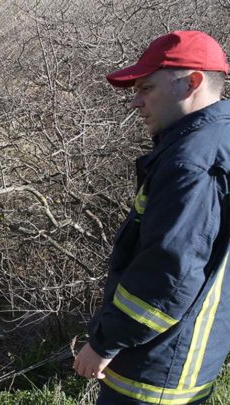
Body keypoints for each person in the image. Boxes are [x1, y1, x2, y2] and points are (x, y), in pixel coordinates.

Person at [73, 30, 230, 405]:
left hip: (157, 369)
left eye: (147, 88)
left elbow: (169, 274)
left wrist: (105, 343)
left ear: (192, 83)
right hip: (192, 355)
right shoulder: (219, 139)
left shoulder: (192, 162)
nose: (135, 102)